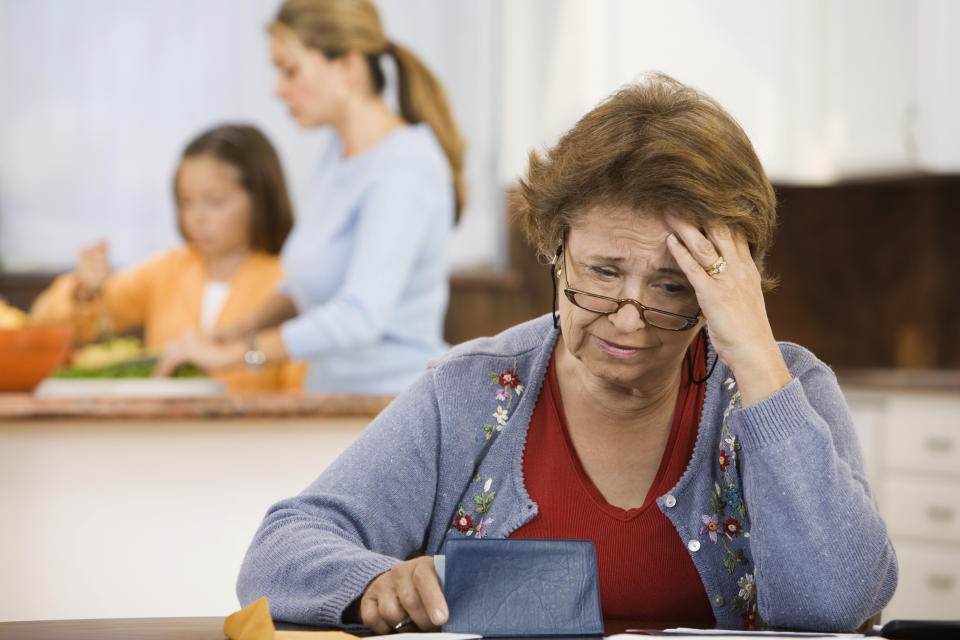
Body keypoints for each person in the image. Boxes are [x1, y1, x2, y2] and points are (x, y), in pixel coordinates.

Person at [234, 74, 897, 632]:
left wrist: (754, 355)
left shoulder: (788, 387)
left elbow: (836, 604)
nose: (630, 319)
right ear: (557, 250)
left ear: (727, 283)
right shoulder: (470, 391)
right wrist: (379, 580)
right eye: (602, 274)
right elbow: (278, 552)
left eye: (672, 287)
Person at [156, 0, 463, 394]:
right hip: (331, 401)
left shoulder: (405, 167)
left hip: (393, 407)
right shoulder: (337, 155)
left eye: (290, 70)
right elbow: (310, 286)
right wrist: (236, 331)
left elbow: (359, 315)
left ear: (348, 66)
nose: (278, 89)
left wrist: (241, 353)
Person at [31, 124, 303, 392]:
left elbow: (301, 380)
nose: (197, 217)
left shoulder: (287, 283)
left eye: (215, 201)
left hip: (254, 432)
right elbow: (49, 325)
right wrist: (85, 290)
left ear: (261, 199)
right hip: (162, 432)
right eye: (186, 201)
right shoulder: (166, 271)